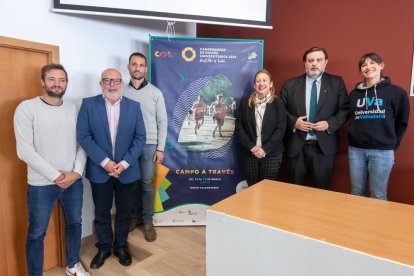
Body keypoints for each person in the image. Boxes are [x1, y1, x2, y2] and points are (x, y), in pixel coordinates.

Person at [13, 64, 90, 276]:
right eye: (52, 79)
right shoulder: (26, 108)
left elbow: (82, 143)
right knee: (37, 233)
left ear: (66, 83)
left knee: (75, 223)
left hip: (73, 182)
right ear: (42, 81)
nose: (57, 84)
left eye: (62, 80)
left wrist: (76, 173)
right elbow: (25, 150)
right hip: (41, 185)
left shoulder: (73, 108)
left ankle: (72, 266)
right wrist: (57, 176)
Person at [77, 68, 146, 269]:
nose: (112, 84)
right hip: (100, 171)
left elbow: (140, 138)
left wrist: (123, 164)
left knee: (124, 212)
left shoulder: (134, 107)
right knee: (101, 212)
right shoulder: (88, 104)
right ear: (101, 84)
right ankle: (105, 247)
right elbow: (84, 136)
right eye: (107, 80)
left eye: (116, 80)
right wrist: (105, 162)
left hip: (128, 170)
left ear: (122, 83)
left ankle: (121, 246)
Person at [281, 47, 349, 190]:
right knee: (292, 192)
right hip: (296, 147)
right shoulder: (290, 84)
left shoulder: (336, 83)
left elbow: (345, 110)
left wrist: (329, 124)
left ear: (325, 63)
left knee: (322, 192)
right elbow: (280, 111)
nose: (314, 64)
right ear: (305, 63)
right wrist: (294, 122)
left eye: (318, 60)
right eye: (310, 60)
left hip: (323, 148)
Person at [348, 52, 410, 200]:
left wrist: (393, 143)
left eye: (372, 63)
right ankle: (356, 223)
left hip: (382, 152)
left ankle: (376, 224)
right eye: (364, 65)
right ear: (361, 70)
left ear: (381, 66)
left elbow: (402, 121)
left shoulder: (396, 92)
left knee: (378, 194)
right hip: (356, 151)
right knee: (356, 193)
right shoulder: (354, 94)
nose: (368, 67)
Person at [123, 52, 167, 242]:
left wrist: (160, 148)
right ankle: (134, 217)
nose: (137, 68)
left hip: (150, 145)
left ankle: (148, 221)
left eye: (141, 65)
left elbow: (162, 122)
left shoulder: (155, 92)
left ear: (146, 69)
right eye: (134, 64)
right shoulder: (121, 91)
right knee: (130, 184)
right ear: (129, 67)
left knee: (147, 183)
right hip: (128, 146)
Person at [236, 69, 287, 186]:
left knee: (267, 189)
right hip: (249, 154)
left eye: (265, 80)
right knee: (252, 188)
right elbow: (239, 127)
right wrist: (252, 147)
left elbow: (281, 128)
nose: (261, 83)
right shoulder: (245, 103)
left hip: (272, 154)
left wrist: (264, 149)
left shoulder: (278, 102)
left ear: (271, 84)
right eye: (258, 81)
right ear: (254, 85)